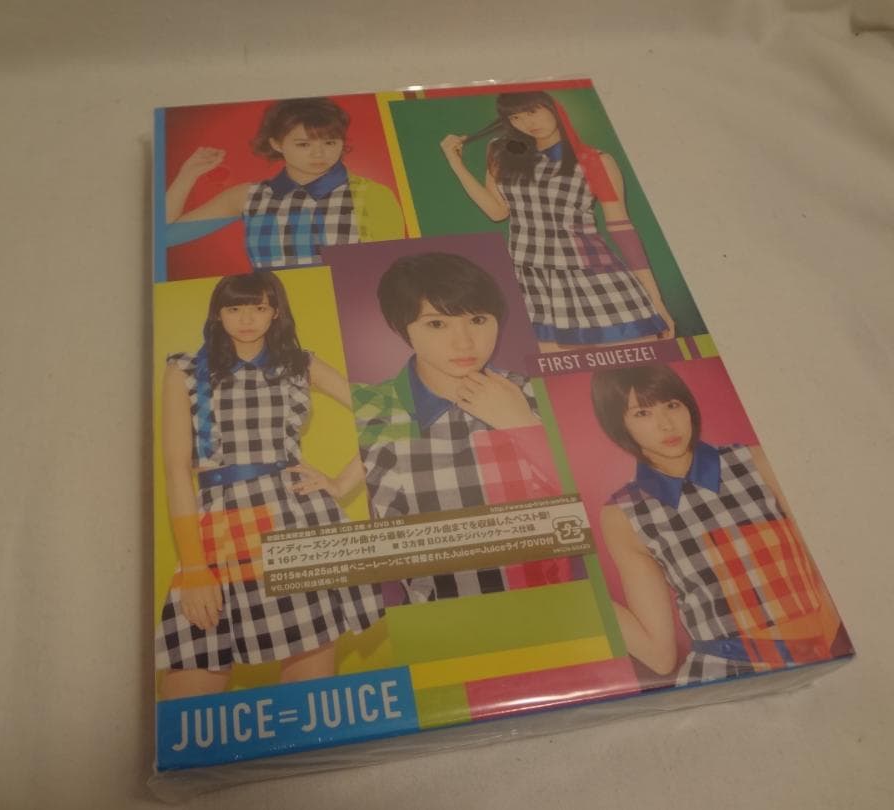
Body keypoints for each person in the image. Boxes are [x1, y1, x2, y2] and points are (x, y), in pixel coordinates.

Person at [156, 273, 383, 699]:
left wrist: (340, 483)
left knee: (309, 693)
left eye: (259, 308)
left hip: (295, 522)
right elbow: (176, 471)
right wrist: (194, 568)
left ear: (275, 312)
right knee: (187, 695)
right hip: (219, 528)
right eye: (234, 308)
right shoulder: (183, 370)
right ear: (217, 314)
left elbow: (388, 412)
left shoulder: (300, 364)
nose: (246, 319)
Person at [590, 363, 845, 685]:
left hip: (818, 656)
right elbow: (660, 656)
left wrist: (827, 634)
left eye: (672, 405)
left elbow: (824, 567)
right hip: (722, 673)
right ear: (619, 424)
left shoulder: (756, 462)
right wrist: (581, 596)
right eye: (642, 413)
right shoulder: (624, 513)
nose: (666, 424)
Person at [352, 251, 571, 602]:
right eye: (436, 324)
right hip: (439, 622)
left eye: (478, 319)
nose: (464, 342)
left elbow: (599, 512)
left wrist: (522, 426)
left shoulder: (539, 395)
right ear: (402, 328)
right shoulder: (368, 412)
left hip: (557, 608)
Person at [439, 91, 674, 352]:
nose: (527, 123)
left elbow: (621, 227)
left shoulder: (595, 161)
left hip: (591, 275)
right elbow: (497, 212)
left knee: (633, 358)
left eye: (532, 111)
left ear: (554, 108)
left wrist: (655, 299)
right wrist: (455, 162)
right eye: (515, 117)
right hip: (530, 278)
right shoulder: (501, 153)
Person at [165, 97, 404, 270]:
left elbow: (390, 271)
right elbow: (167, 236)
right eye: (304, 144)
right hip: (274, 314)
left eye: (330, 142)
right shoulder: (249, 196)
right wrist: (187, 175)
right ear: (277, 144)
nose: (319, 153)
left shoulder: (372, 194)